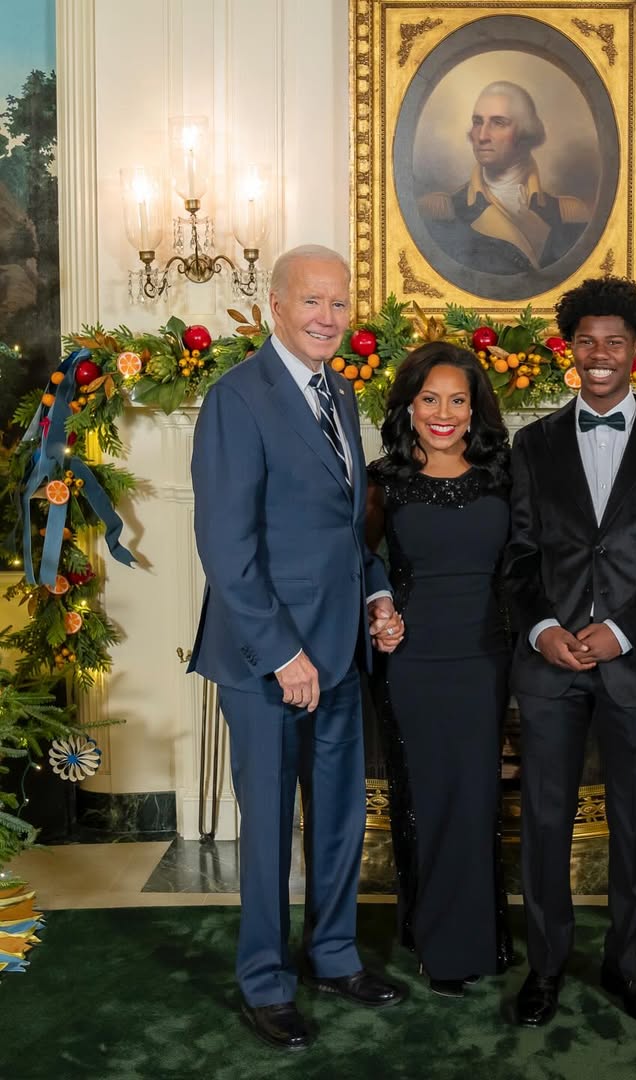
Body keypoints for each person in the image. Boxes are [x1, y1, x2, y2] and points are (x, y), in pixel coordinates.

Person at [189, 244, 407, 1052]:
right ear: (276, 306)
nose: (328, 317)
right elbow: (227, 546)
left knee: (341, 818)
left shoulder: (342, 395)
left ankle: (336, 954)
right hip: (266, 662)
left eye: (340, 304)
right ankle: (266, 981)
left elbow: (347, 531)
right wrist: (284, 654)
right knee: (272, 826)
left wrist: (377, 593)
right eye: (312, 302)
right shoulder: (236, 399)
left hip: (343, 650)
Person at [503, 276, 636, 1028]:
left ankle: (628, 965)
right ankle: (546, 967)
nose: (599, 354)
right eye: (586, 340)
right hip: (549, 668)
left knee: (635, 824)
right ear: (569, 347)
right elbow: (517, 557)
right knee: (545, 821)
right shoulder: (533, 445)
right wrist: (544, 629)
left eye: (613, 343)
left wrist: (620, 628)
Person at [365, 341, 514, 998]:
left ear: (476, 407)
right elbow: (358, 561)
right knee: (424, 801)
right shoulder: (384, 479)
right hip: (414, 661)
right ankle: (435, 940)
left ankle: (481, 936)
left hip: (487, 659)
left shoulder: (505, 475)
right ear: (409, 405)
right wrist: (380, 606)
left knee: (477, 798)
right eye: (430, 399)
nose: (444, 413)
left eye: (459, 399)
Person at [418, 80, 590, 274]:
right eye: (477, 122)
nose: (482, 136)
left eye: (498, 123)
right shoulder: (442, 212)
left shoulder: (567, 215)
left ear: (525, 132)